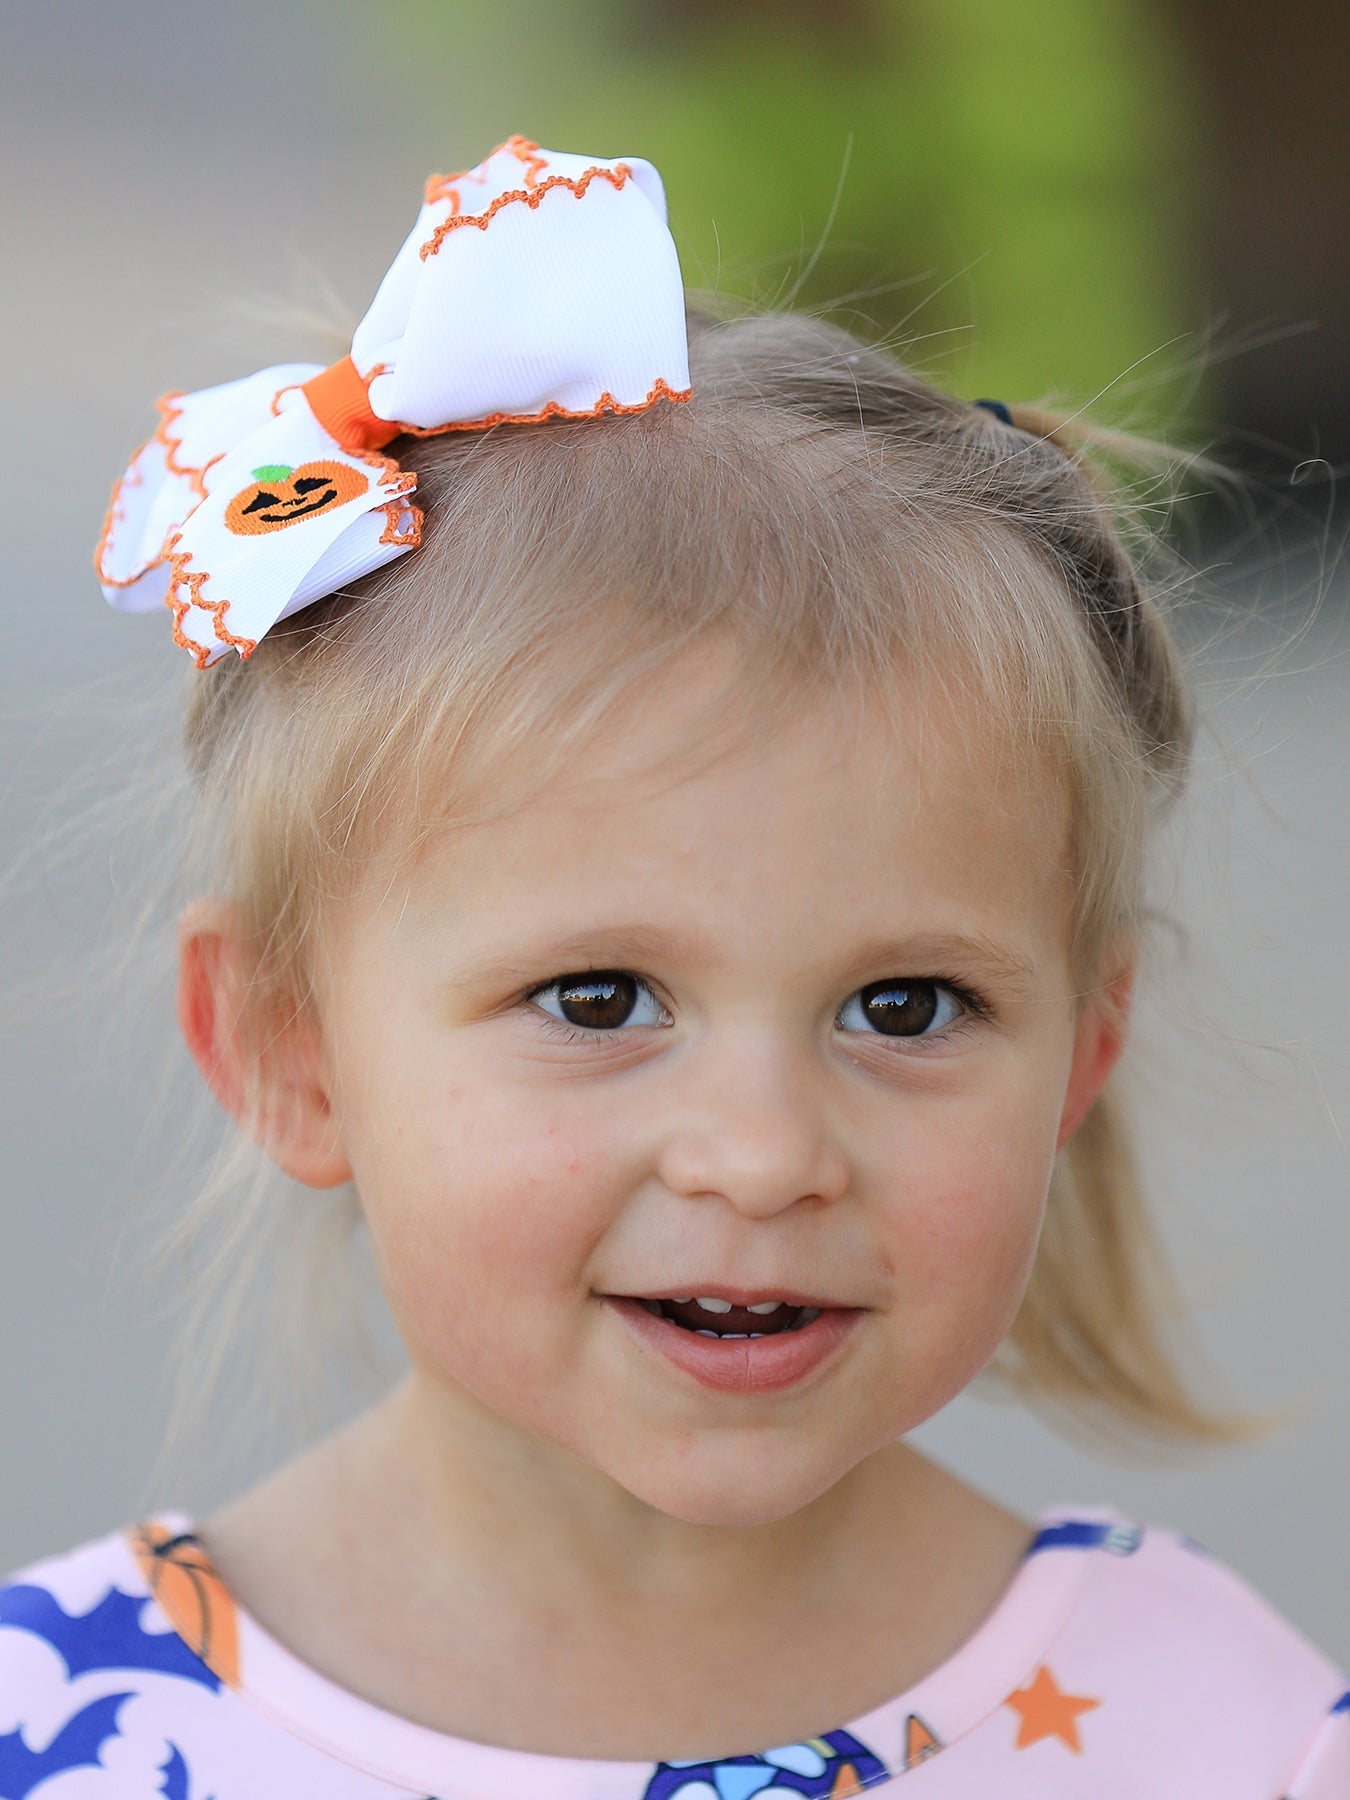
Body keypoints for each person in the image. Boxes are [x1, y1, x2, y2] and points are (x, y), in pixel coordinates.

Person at [1, 135, 1344, 1798]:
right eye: (597, 1000)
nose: (765, 1154)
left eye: (904, 1006)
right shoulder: (63, 1727)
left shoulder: (1218, 1734)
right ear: (292, 1049)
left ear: (1083, 1046)